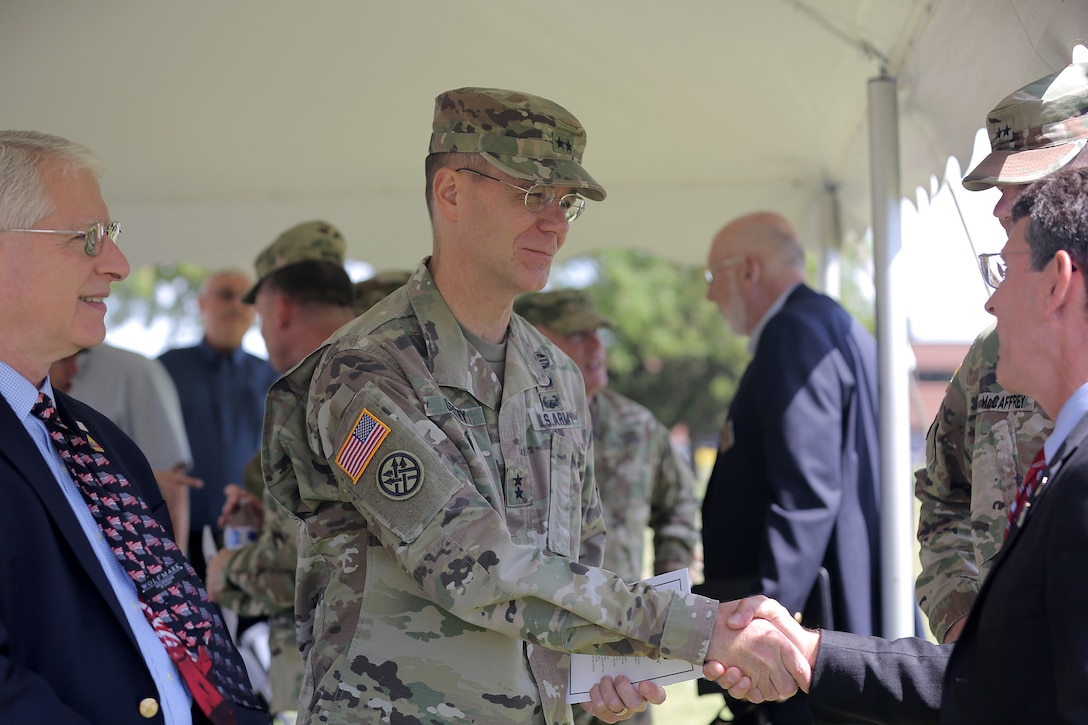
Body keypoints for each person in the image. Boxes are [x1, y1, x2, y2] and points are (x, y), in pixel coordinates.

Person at [262, 87, 810, 725]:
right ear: (451, 194)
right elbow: (472, 563)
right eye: (530, 194)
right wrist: (690, 627)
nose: (555, 222)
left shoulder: (555, 374)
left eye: (566, 201)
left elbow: (580, 552)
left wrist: (607, 669)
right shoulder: (366, 369)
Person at [712, 165, 1088, 724]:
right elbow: (1004, 676)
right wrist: (812, 652)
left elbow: (805, 496)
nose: (990, 302)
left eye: (1001, 270)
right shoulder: (1068, 459)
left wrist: (758, 624)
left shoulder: (1080, 481)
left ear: (1056, 280)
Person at [0, 130, 266, 724]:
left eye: (111, 237)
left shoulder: (103, 445)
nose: (118, 265)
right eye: (87, 238)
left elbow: (184, 633)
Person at [914, 61, 1088, 643]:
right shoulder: (994, 354)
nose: (998, 206)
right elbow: (942, 502)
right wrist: (963, 621)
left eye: (1026, 186)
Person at [701, 211, 884, 723]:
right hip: (842, 615)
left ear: (748, 271)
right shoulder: (836, 325)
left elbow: (806, 495)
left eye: (713, 276)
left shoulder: (793, 333)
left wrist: (760, 626)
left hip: (807, 631)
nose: (710, 296)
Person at [515, 289, 700, 725]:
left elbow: (678, 504)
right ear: (534, 338)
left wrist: (669, 593)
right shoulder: (512, 421)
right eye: (578, 334)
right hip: (534, 648)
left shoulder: (636, 425)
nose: (596, 347)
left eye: (598, 334)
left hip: (621, 647)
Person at [205, 220, 360, 723]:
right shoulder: (389, 372)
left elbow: (311, 562)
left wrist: (223, 571)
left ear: (279, 307)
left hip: (336, 679)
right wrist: (269, 515)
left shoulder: (311, 392)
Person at [159, 268, 279, 573]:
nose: (236, 305)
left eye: (247, 299)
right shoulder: (166, 369)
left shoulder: (274, 376)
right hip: (180, 538)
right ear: (201, 304)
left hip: (258, 537)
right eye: (226, 295)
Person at [51, 343, 202, 555]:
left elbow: (172, 489)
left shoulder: (136, 372)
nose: (75, 370)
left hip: (138, 559)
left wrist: (174, 578)